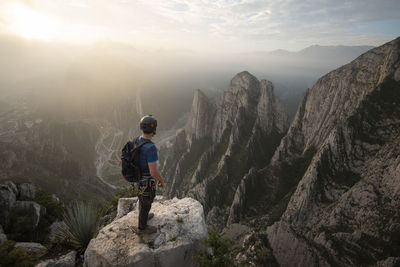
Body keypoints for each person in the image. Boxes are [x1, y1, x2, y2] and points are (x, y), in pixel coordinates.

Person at [136, 115, 165, 233]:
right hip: (147, 180)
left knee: (142, 199)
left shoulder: (137, 140)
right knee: (147, 201)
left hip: (139, 177)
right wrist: (161, 180)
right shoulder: (151, 148)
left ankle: (143, 217)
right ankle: (142, 227)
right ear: (153, 129)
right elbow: (153, 171)